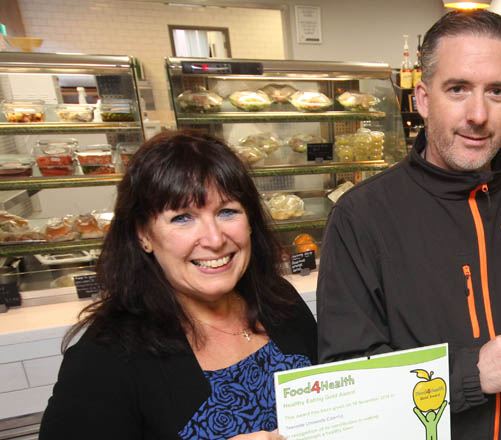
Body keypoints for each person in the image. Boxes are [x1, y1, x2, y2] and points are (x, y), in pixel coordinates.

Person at [316, 9, 501, 440]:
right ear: (423, 99)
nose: (478, 114)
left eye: (497, 92)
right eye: (458, 89)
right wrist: (469, 374)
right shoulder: (362, 217)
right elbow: (347, 383)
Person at [40, 130, 317, 440]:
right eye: (183, 217)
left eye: (227, 212)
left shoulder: (279, 300)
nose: (214, 239)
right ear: (143, 235)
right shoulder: (103, 362)